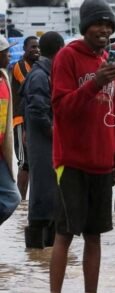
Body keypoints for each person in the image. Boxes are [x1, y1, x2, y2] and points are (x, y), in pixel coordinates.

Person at [49, 0, 115, 293]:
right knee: (65, 233)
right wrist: (94, 83)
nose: (104, 30)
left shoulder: (106, 65)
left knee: (94, 236)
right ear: (85, 27)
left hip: (102, 164)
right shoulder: (67, 58)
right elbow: (60, 108)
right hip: (71, 162)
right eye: (98, 24)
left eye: (109, 26)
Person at [21, 32, 65, 249]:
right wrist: (55, 132)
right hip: (43, 144)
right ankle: (37, 251)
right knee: (42, 195)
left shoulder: (46, 72)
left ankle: (42, 259)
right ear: (59, 50)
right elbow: (38, 111)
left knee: (52, 197)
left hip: (48, 144)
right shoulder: (40, 76)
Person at [10, 36, 39, 200]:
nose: (36, 50)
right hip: (21, 120)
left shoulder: (37, 66)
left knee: (34, 163)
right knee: (24, 163)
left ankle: (27, 203)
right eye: (33, 47)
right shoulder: (19, 66)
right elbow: (32, 84)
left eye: (38, 47)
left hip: (33, 118)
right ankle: (21, 202)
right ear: (25, 49)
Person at [0, 36, 20, 226]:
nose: (9, 56)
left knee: (12, 198)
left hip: (1, 152)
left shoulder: (4, 78)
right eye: (6, 53)